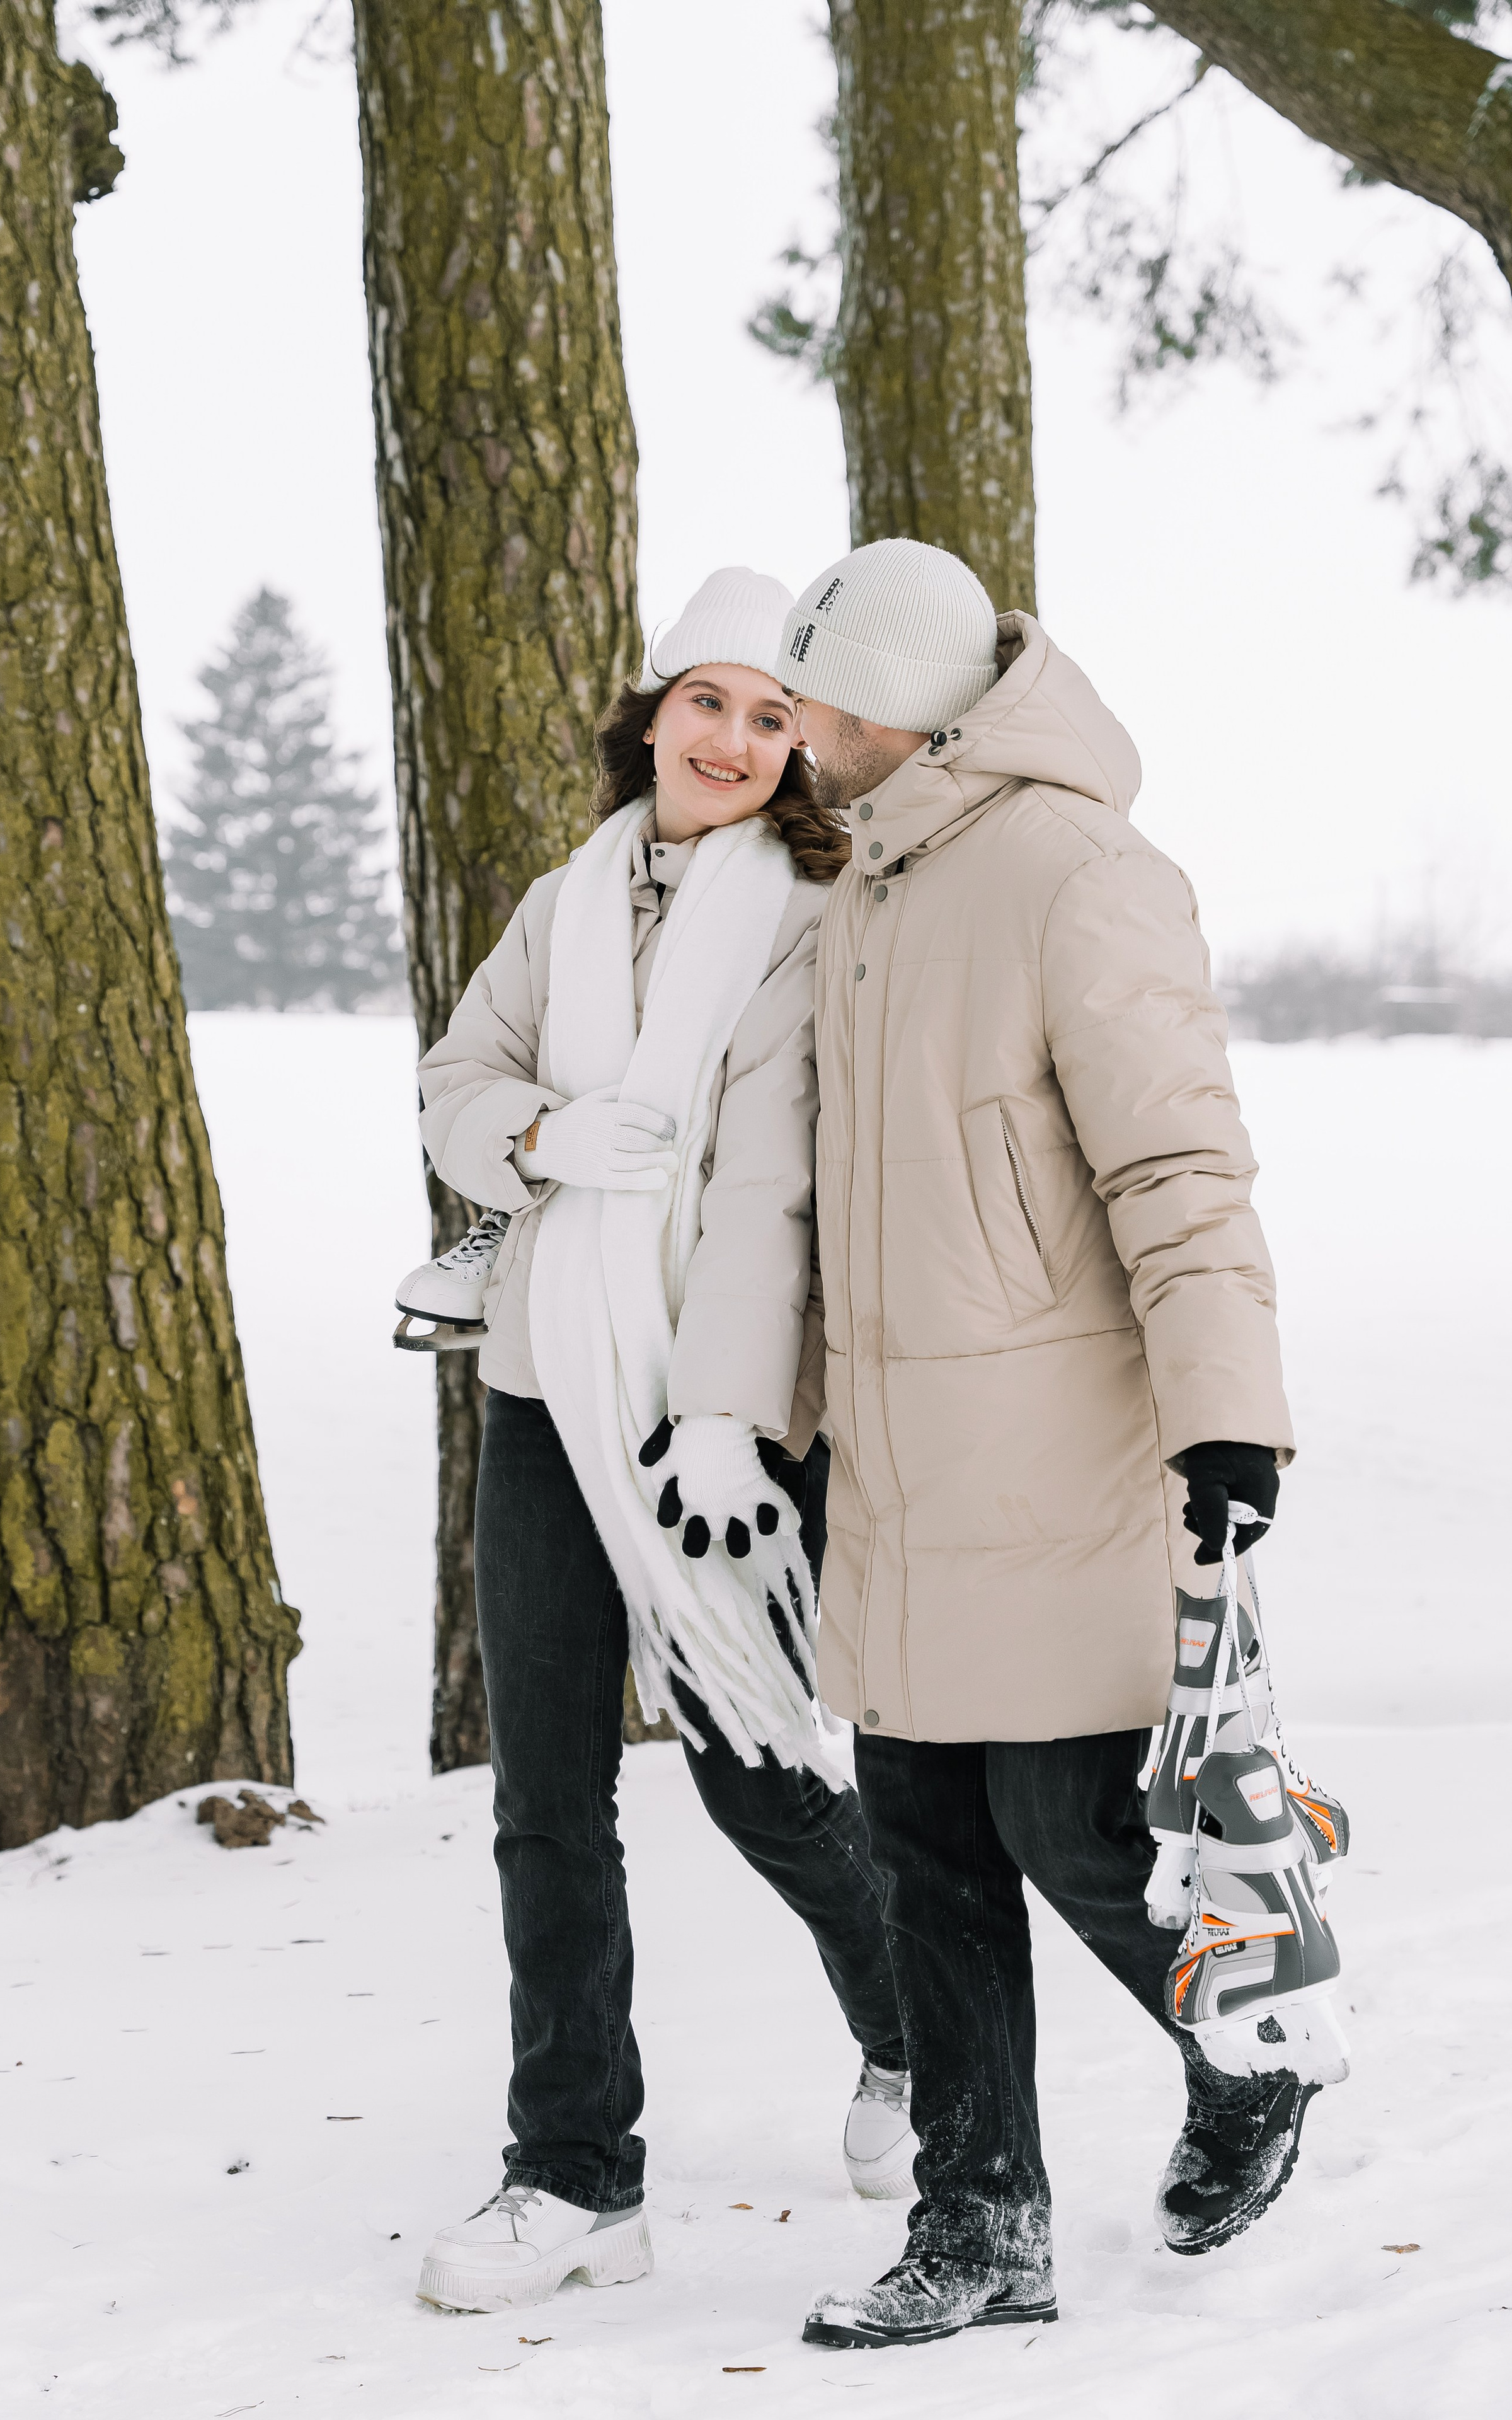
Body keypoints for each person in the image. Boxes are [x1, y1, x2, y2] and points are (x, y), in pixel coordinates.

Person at [777, 539, 1302, 2351]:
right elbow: (832, 1200)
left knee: (1071, 1824)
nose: (801, 734)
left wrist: (1230, 1412)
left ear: (903, 709)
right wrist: (787, 1421)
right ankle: (978, 2220)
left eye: (824, 702)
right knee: (922, 1840)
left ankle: (1253, 2046)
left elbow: (1178, 1163)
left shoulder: (1081, 872)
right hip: (902, 1456)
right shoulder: (870, 889)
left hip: (1059, 1441)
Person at [406, 569, 912, 2319]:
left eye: (775, 720)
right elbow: (454, 1087)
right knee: (546, 1798)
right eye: (711, 701)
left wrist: (720, 1421)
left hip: (716, 1419)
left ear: (802, 760)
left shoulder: (802, 921)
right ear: (653, 713)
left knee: (755, 1771)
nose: (735, 739)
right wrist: (544, 1131)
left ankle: (909, 2033)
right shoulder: (564, 902)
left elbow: (774, 1193)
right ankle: (575, 2172)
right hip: (547, 1389)